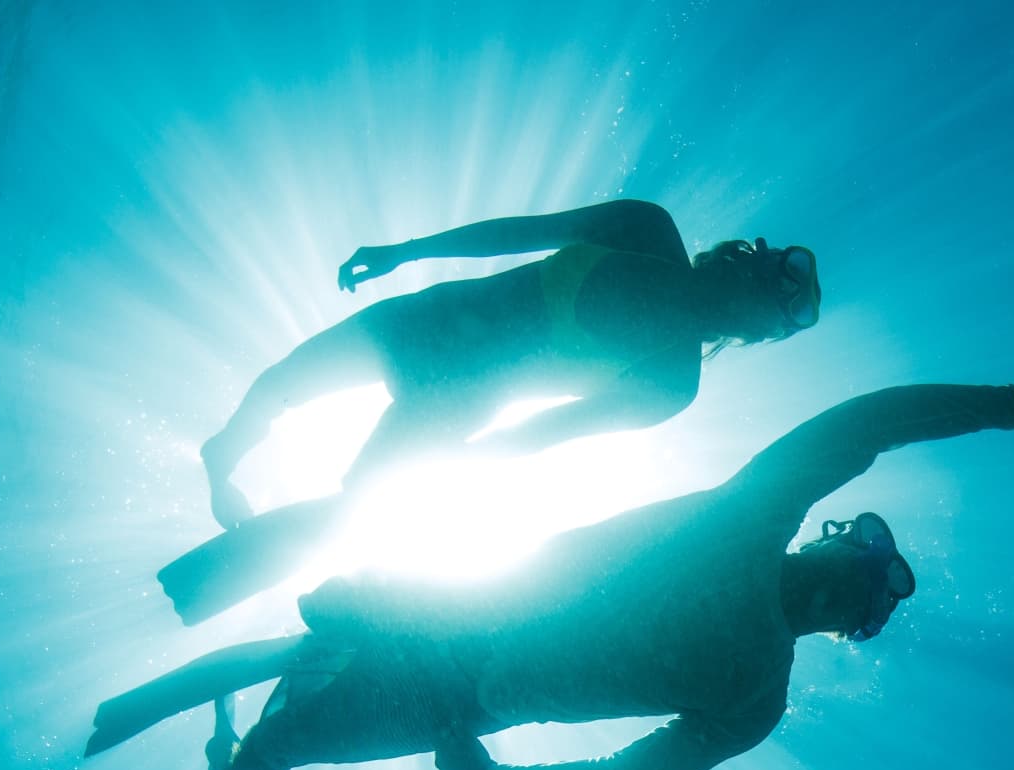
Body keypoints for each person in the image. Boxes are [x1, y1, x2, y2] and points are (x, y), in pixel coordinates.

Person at [87, 363, 1014, 770]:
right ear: (823, 544)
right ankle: (241, 664)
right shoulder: (751, 519)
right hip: (443, 601)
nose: (852, 584)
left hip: (447, 700)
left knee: (261, 768)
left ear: (850, 628)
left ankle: (238, 722)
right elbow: (866, 427)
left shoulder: (753, 694)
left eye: (868, 597)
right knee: (316, 640)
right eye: (856, 559)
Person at [158, 198, 821, 624]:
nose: (766, 308)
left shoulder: (673, 381)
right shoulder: (644, 228)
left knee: (350, 508)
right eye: (780, 287)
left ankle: (191, 594)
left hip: (458, 401)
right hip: (435, 324)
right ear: (748, 263)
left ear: (760, 332)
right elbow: (514, 234)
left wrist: (467, 460)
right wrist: (406, 251)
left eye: (781, 319)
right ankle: (223, 455)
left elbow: (553, 431)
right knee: (283, 384)